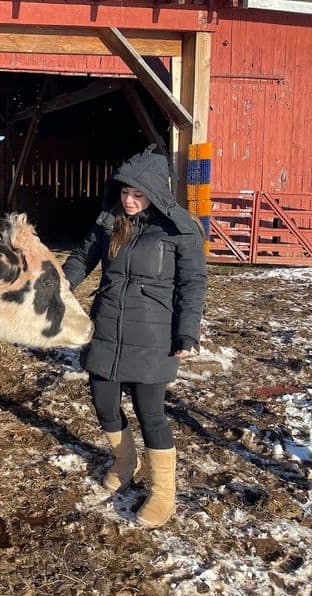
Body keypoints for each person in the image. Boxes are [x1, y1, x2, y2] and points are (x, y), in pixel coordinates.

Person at [62, 145, 207, 529]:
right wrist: (59, 289)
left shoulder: (181, 229)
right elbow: (81, 258)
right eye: (125, 191)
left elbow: (193, 284)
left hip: (153, 332)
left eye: (138, 194)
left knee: (150, 413)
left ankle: (163, 493)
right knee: (103, 402)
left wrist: (187, 332)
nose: (128, 200)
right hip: (108, 323)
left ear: (156, 192)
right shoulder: (110, 220)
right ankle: (126, 460)